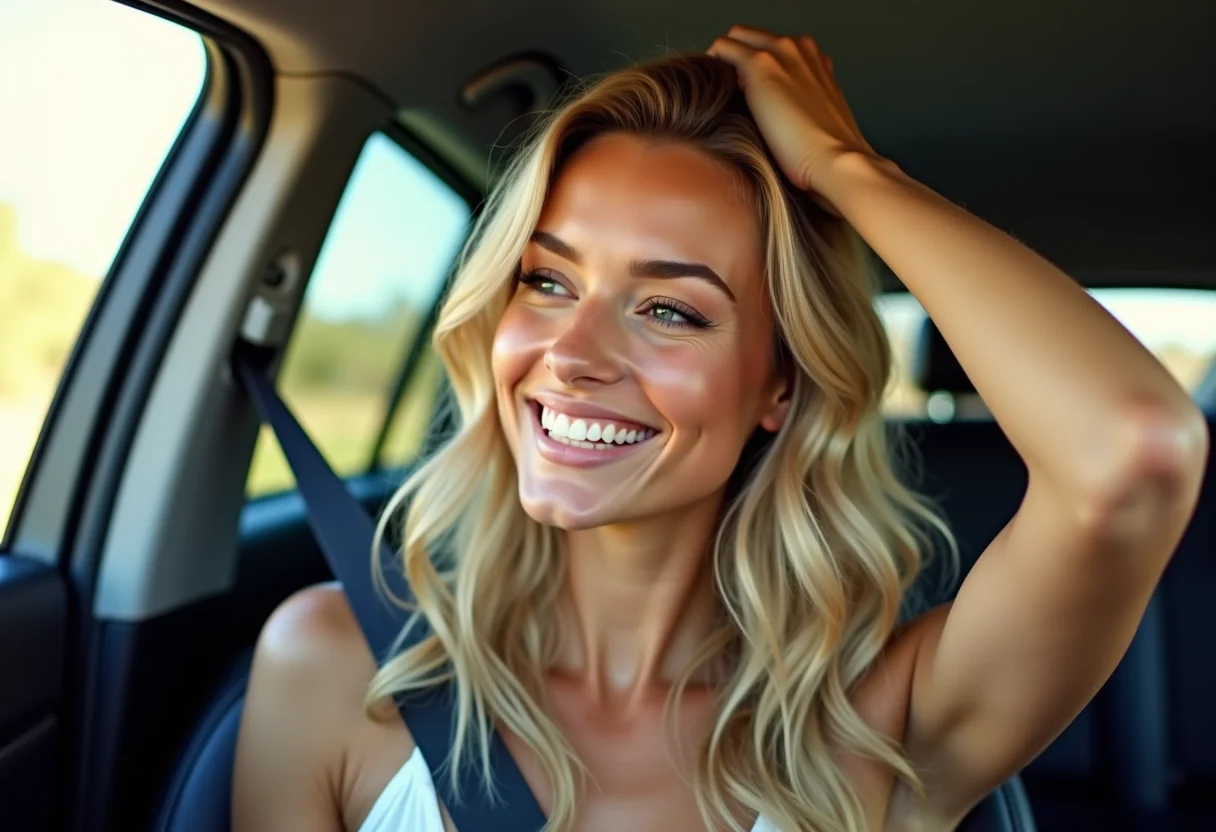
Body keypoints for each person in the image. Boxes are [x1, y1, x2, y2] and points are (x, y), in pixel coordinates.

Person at [232, 25, 1208, 832]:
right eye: (547, 280)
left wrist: (846, 168)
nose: (571, 353)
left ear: (779, 386)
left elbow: (1132, 450)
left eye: (669, 309)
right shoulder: (332, 669)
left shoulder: (878, 724)